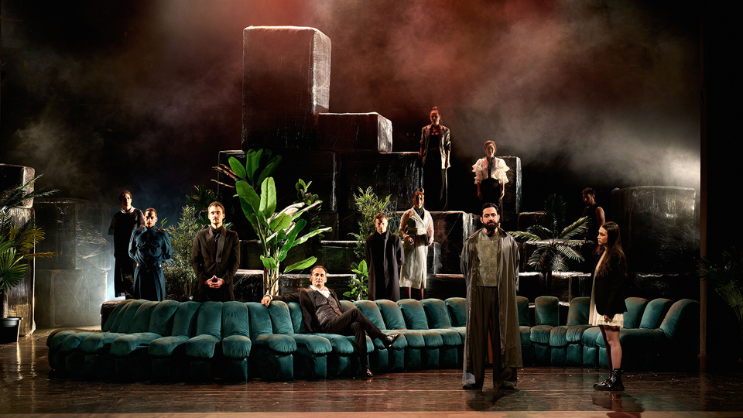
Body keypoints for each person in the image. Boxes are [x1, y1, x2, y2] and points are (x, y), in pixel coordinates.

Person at [261, 265, 400, 377]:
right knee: (355, 312)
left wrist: (349, 318)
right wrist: (269, 296)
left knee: (357, 325)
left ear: (325, 279)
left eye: (322, 275)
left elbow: (341, 310)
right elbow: (285, 298)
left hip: (338, 322)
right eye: (316, 275)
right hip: (325, 326)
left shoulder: (331, 292)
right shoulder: (304, 292)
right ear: (311, 278)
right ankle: (383, 338)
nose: (319, 277)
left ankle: (364, 367)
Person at [460, 203, 522, 391]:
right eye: (486, 216)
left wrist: (510, 288)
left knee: (504, 334)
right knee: (476, 335)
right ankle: (473, 379)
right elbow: (464, 266)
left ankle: (505, 380)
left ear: (498, 217)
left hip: (501, 291)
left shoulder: (508, 241)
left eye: (493, 215)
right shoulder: (472, 241)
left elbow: (515, 266)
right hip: (478, 291)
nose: (490, 219)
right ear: (481, 219)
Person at [590, 221, 628, 391]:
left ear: (610, 236)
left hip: (610, 307)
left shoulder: (616, 256)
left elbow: (617, 286)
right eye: (598, 233)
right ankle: (612, 377)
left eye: (602, 234)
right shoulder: (605, 253)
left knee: (613, 341)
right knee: (607, 341)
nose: (598, 237)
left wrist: (609, 310)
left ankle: (616, 379)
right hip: (602, 305)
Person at [191, 201, 240, 302]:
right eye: (212, 213)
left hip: (225, 288)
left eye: (218, 212)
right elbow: (194, 261)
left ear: (223, 215)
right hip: (205, 288)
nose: (215, 215)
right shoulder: (200, 235)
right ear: (208, 216)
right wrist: (205, 280)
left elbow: (235, 261)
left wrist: (224, 280)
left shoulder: (232, 236)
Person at [128, 208, 172, 301]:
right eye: (147, 217)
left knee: (157, 303)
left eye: (152, 217)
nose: (149, 220)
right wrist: (140, 259)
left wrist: (157, 260)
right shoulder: (136, 233)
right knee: (139, 303)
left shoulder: (162, 234)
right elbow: (131, 251)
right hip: (141, 272)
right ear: (144, 218)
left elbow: (168, 254)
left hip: (156, 272)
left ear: (156, 219)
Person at [398, 188, 434, 300]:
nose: (419, 200)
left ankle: (421, 299)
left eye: (420, 198)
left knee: (421, 269)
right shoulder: (408, 213)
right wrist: (406, 236)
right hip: (411, 242)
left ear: (423, 200)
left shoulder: (427, 214)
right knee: (408, 269)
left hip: (422, 244)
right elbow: (401, 229)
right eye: (417, 198)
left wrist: (431, 238)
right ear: (413, 199)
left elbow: (430, 229)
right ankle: (408, 299)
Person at [108, 190, 144, 298]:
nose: (126, 200)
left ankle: (138, 297)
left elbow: (143, 231)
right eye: (124, 198)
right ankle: (128, 299)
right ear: (121, 201)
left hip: (135, 249)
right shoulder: (117, 216)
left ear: (131, 199)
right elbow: (115, 235)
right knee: (124, 274)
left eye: (128, 198)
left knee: (135, 272)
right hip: (122, 249)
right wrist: (116, 250)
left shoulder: (138, 213)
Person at [365, 213, 404, 301]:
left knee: (391, 303)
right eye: (379, 224)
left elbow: (401, 259)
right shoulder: (370, 240)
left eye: (383, 223)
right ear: (375, 224)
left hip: (391, 276)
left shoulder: (395, 239)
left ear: (386, 224)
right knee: (376, 303)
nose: (381, 226)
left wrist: (392, 268)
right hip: (376, 276)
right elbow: (368, 259)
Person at [419, 106, 451, 210]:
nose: (434, 118)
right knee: (428, 181)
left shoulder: (445, 130)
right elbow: (422, 144)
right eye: (432, 116)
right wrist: (421, 156)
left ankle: (440, 207)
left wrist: (447, 160)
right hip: (428, 157)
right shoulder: (425, 129)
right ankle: (428, 206)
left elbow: (447, 146)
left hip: (439, 157)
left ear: (439, 117)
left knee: (440, 182)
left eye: (436, 116)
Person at [472, 140, 509, 216]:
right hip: (485, 187)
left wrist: (503, 190)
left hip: (495, 186)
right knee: (485, 207)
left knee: (495, 207)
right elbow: (479, 178)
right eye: (488, 148)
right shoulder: (481, 162)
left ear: (494, 150)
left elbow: (502, 177)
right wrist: (478, 191)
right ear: (485, 150)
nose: (490, 150)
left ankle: (496, 221)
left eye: (492, 148)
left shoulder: (499, 162)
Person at [582, 188, 606, 257]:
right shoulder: (586, 209)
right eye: (583, 197)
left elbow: (603, 229)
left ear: (593, 196)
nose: (585, 200)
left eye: (587, 197)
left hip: (594, 244)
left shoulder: (598, 209)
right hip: (586, 243)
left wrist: (598, 245)